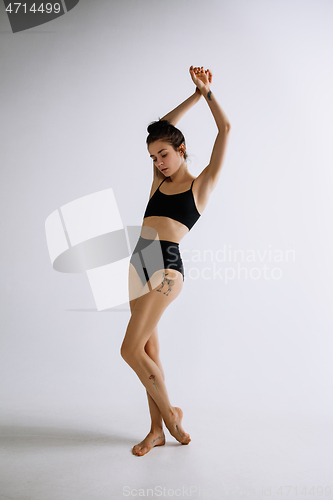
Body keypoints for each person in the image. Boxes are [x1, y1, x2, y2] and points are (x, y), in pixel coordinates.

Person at [120, 65, 231, 456]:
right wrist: (193, 97)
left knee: (128, 350)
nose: (158, 161)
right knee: (149, 354)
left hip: (167, 266)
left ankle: (171, 417)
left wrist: (208, 95)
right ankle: (156, 431)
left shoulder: (200, 185)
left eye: (164, 154)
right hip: (139, 262)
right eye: (153, 156)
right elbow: (163, 125)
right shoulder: (159, 180)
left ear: (181, 150)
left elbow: (226, 131)